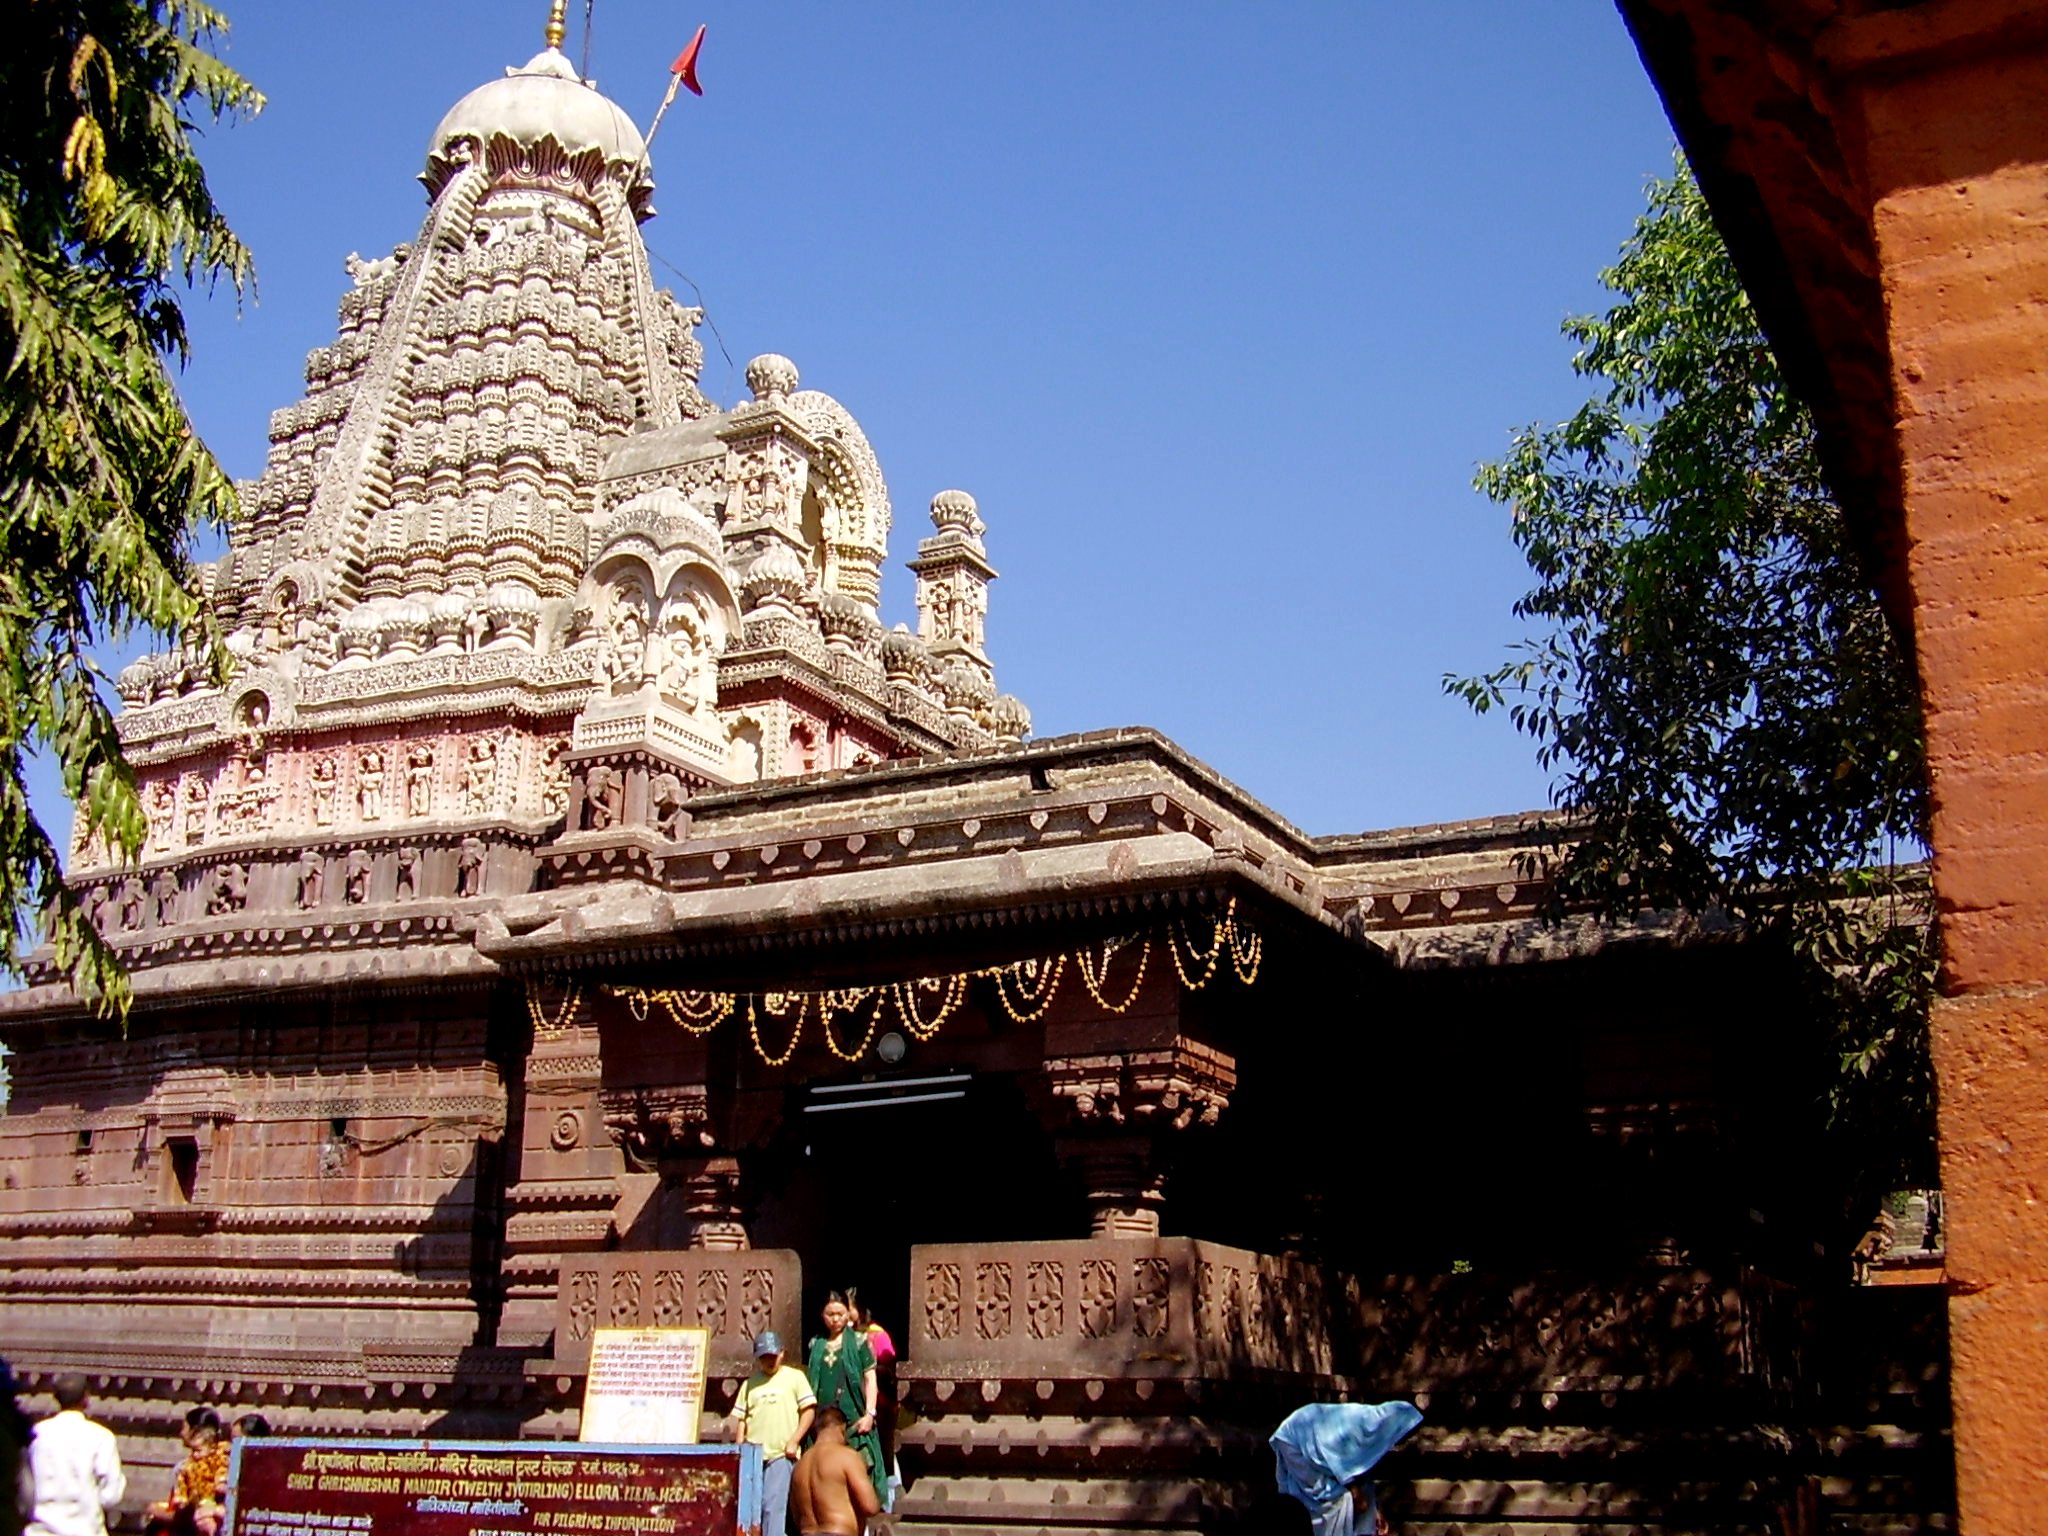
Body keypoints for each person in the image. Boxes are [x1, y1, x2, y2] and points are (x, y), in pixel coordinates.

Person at [1270, 1400, 1422, 1536]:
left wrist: (1374, 1511)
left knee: (1360, 1496)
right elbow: (1332, 1453)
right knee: (1335, 1502)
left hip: (1315, 1450)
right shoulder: (1361, 1424)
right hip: (1295, 1441)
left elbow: (1360, 1473)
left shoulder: (1374, 1433)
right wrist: (1354, 1492)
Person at [731, 1332, 814, 1536]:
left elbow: (808, 1411)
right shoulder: (750, 1384)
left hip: (780, 1454)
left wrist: (794, 1440)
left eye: (773, 1355)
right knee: (751, 1509)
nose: (769, 1361)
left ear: (782, 1353)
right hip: (753, 1455)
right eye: (764, 1357)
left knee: (772, 1508)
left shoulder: (795, 1378)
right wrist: (739, 1448)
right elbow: (742, 1418)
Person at [804, 1295, 884, 1502]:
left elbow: (870, 1378)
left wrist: (869, 1413)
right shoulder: (816, 1344)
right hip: (822, 1422)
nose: (835, 1319)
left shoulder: (859, 1342)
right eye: (830, 1314)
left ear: (848, 1313)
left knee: (858, 1476)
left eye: (840, 1314)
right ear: (822, 1315)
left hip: (854, 1420)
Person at [25, 1374, 124, 1536]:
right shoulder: (100, 1436)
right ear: (86, 1398)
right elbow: (112, 1494)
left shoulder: (36, 1434)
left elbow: (23, 1486)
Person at [844, 1290, 898, 1510]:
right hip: (852, 1406)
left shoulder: (877, 1335)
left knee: (880, 1454)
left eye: (848, 1307)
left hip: (878, 1405)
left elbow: (889, 1367)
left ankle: (885, 1500)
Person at [790, 1407, 880, 1536]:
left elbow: (796, 1515)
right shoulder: (847, 1456)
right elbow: (870, 1506)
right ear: (842, 1429)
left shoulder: (800, 1465)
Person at [146, 1409, 226, 1536]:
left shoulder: (223, 1462)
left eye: (184, 1428)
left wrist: (158, 1512)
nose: (181, 1433)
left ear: (197, 1433)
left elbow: (185, 1516)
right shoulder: (185, 1467)